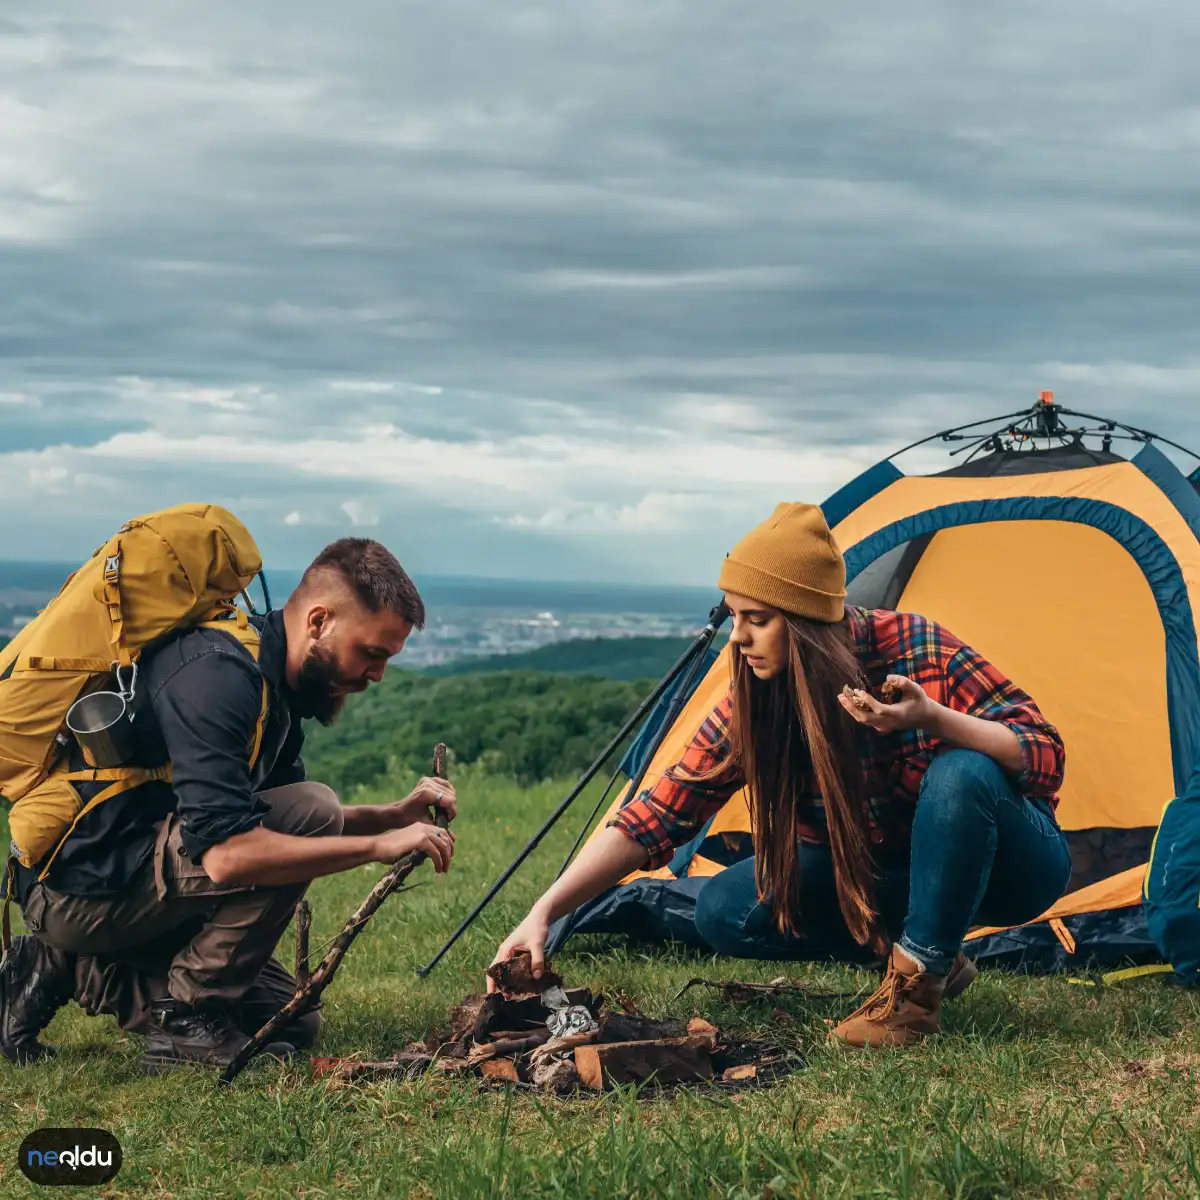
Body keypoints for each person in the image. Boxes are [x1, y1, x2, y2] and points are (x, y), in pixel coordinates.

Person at [492, 503, 1070, 1048]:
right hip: (884, 876)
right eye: (734, 617)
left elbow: (1046, 754)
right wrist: (545, 911)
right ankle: (923, 950)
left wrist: (934, 719)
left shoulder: (915, 648)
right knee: (724, 909)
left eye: (757, 620)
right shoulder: (757, 700)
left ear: (808, 623)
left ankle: (915, 996)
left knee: (961, 773)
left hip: (1013, 867)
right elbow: (656, 815)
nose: (738, 639)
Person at [1, 538, 457, 1072]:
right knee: (314, 808)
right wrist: (378, 846)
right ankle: (185, 1020)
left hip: (131, 879)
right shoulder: (219, 675)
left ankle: (67, 967)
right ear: (318, 621)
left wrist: (393, 815)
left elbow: (275, 822)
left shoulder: (276, 694)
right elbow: (229, 856)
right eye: (371, 652)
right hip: (80, 887)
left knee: (292, 1019)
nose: (377, 674)